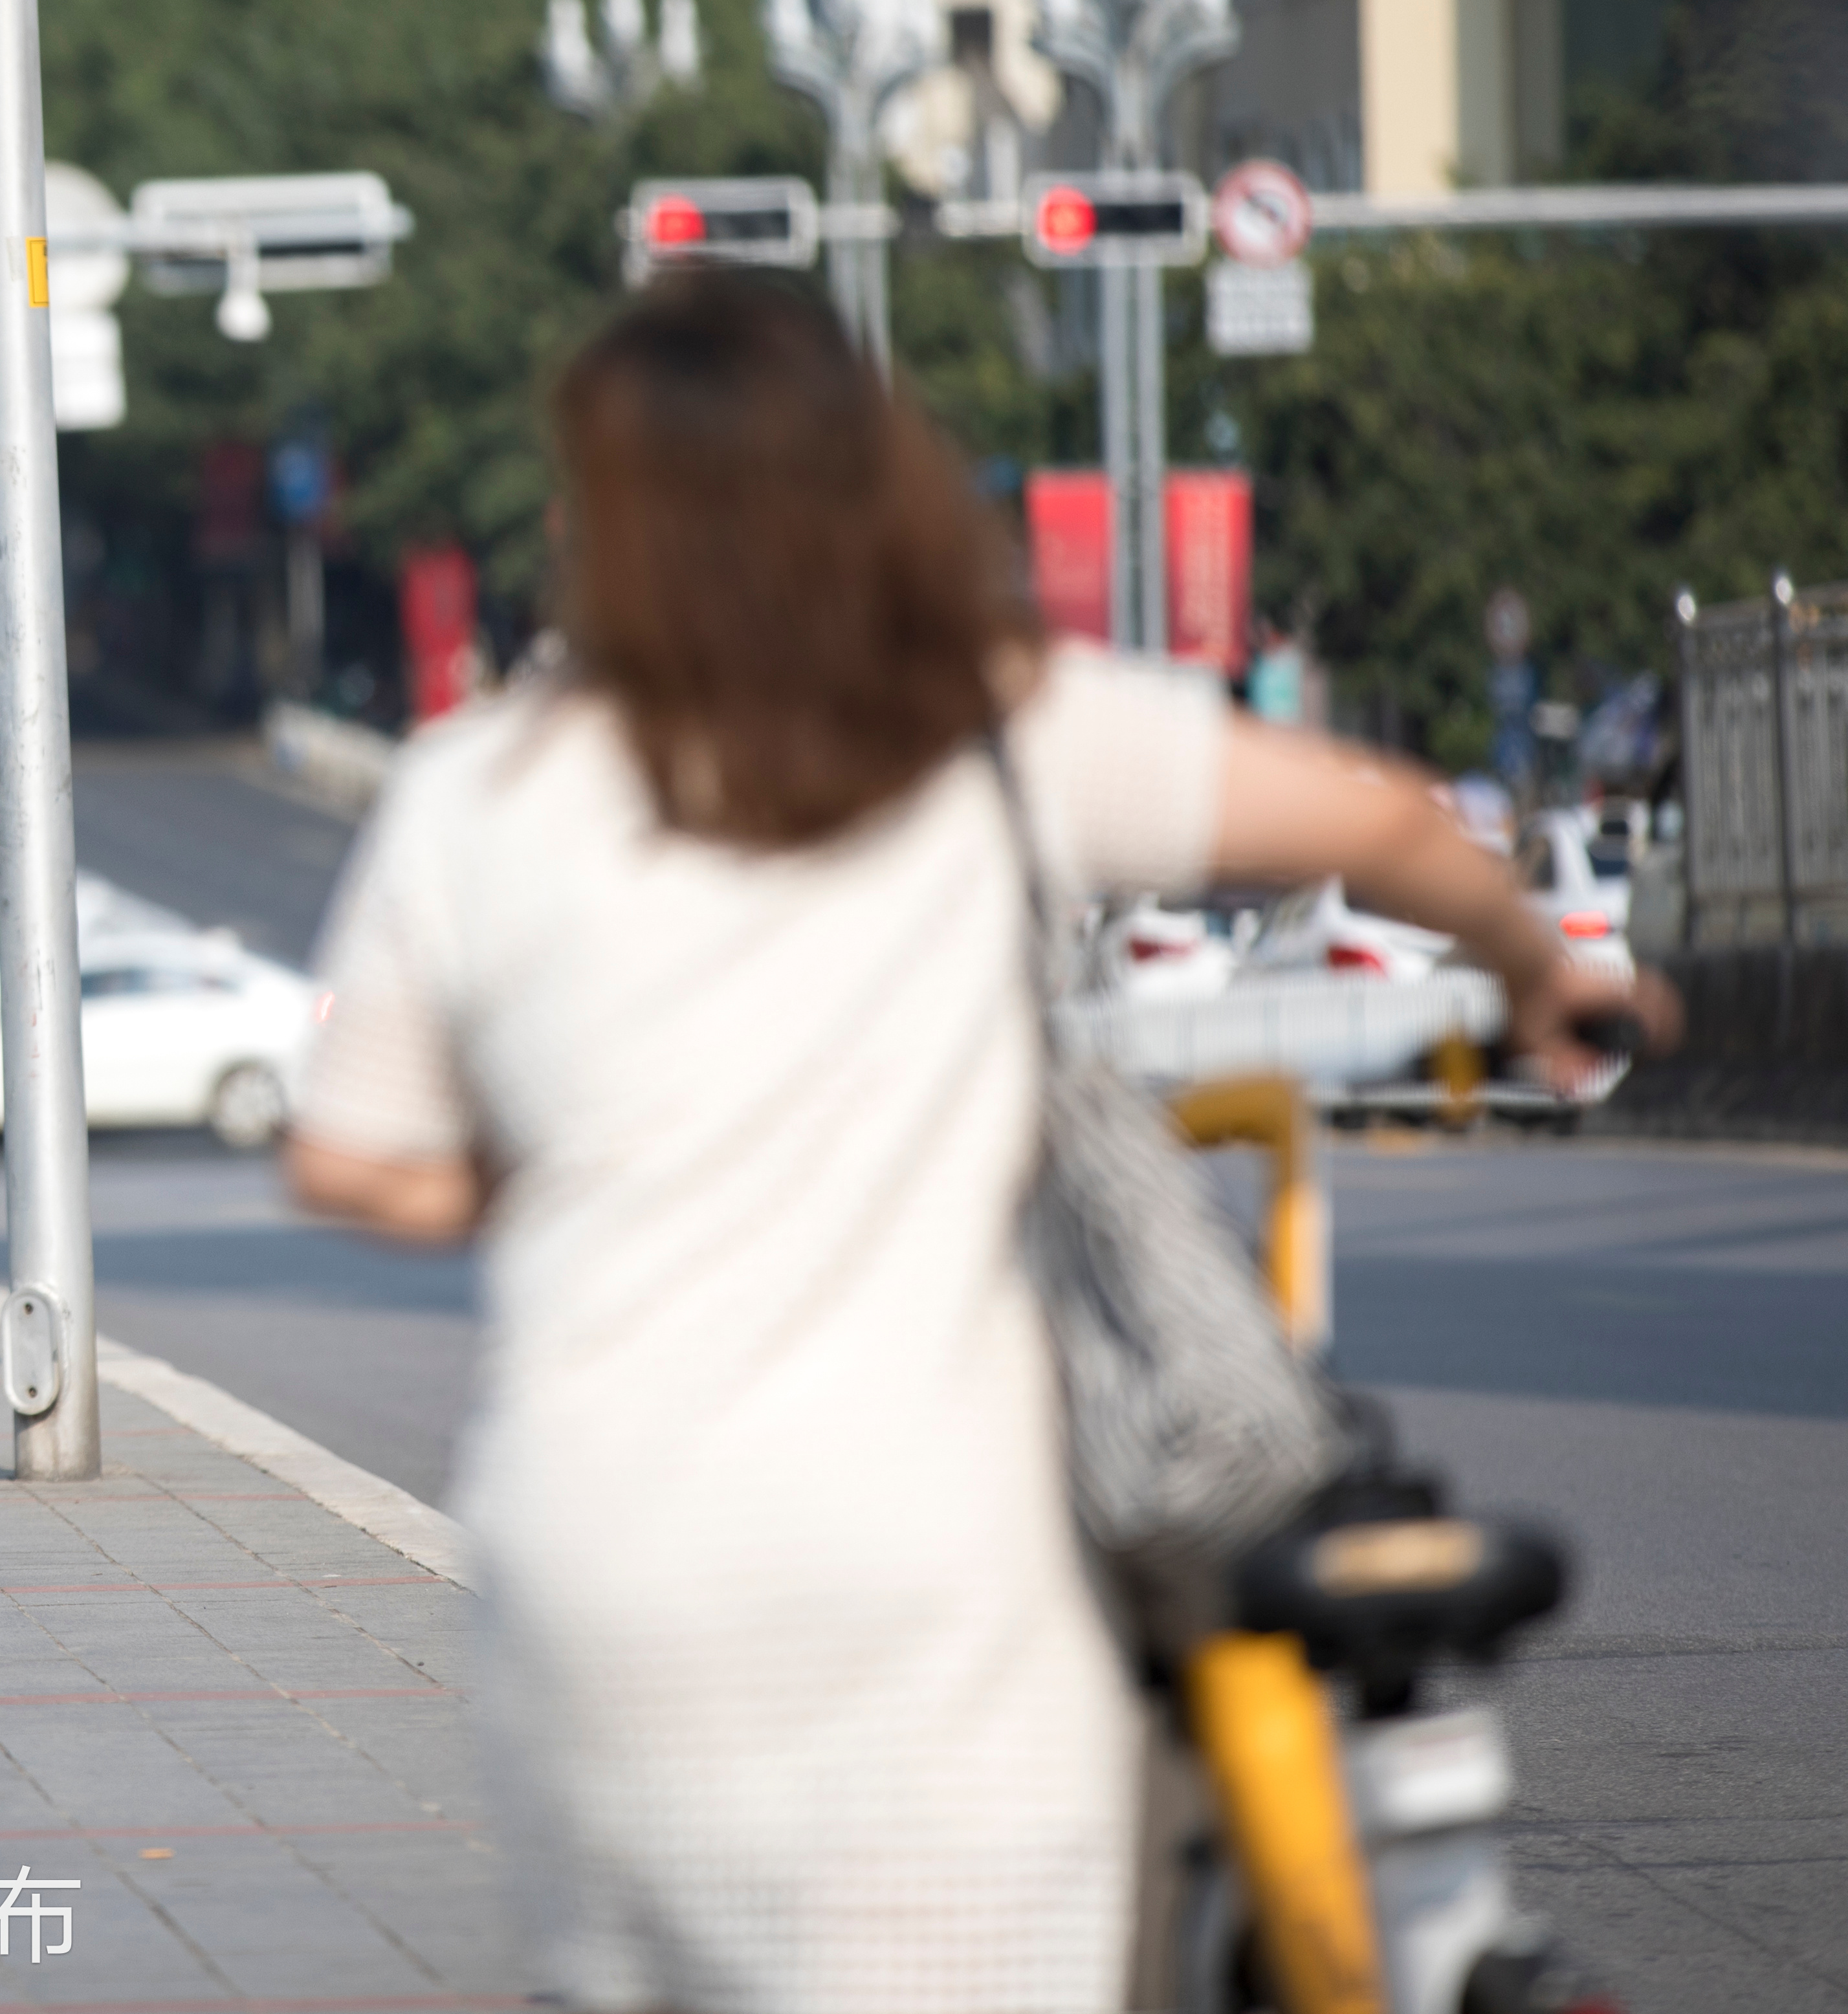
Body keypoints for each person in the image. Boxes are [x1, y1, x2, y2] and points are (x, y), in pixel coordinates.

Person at [281, 277, 1667, 2014]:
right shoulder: (986, 722)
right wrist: (1546, 967)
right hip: (920, 1580)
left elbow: (346, 1159)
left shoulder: (478, 790)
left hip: (600, 1570)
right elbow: (1383, 819)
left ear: (600, 524)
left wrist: (568, 1169)